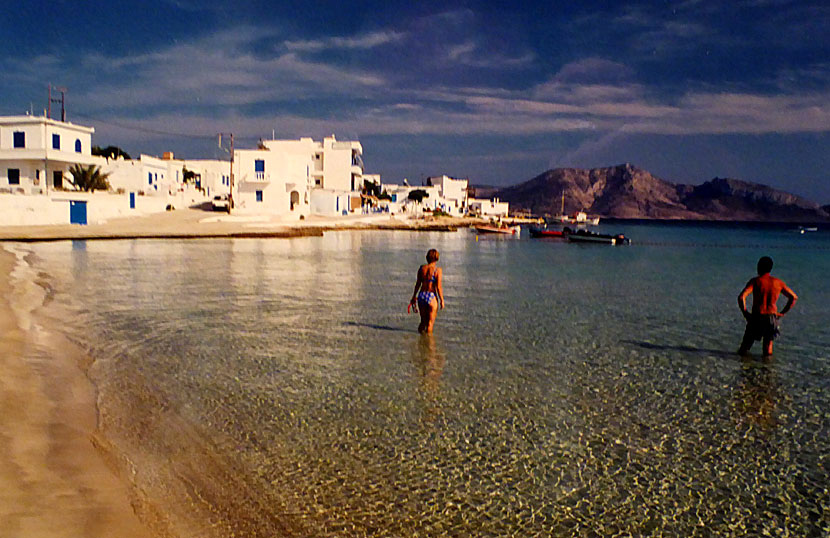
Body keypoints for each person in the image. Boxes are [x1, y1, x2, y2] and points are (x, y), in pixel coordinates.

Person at [737, 256, 797, 357]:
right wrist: (782, 312)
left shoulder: (756, 281)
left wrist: (745, 313)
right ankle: (767, 371)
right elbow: (793, 297)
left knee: (744, 348)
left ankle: (744, 369)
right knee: (768, 349)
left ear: (759, 267)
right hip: (771, 317)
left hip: (757, 316)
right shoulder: (778, 283)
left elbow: (741, 297)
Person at [409, 249, 444, 333]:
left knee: (423, 322)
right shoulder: (438, 270)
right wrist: (442, 300)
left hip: (421, 296)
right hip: (431, 296)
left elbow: (418, 284)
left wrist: (414, 296)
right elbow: (438, 287)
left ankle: (420, 341)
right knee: (430, 324)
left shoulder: (421, 269)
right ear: (436, 258)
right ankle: (428, 344)